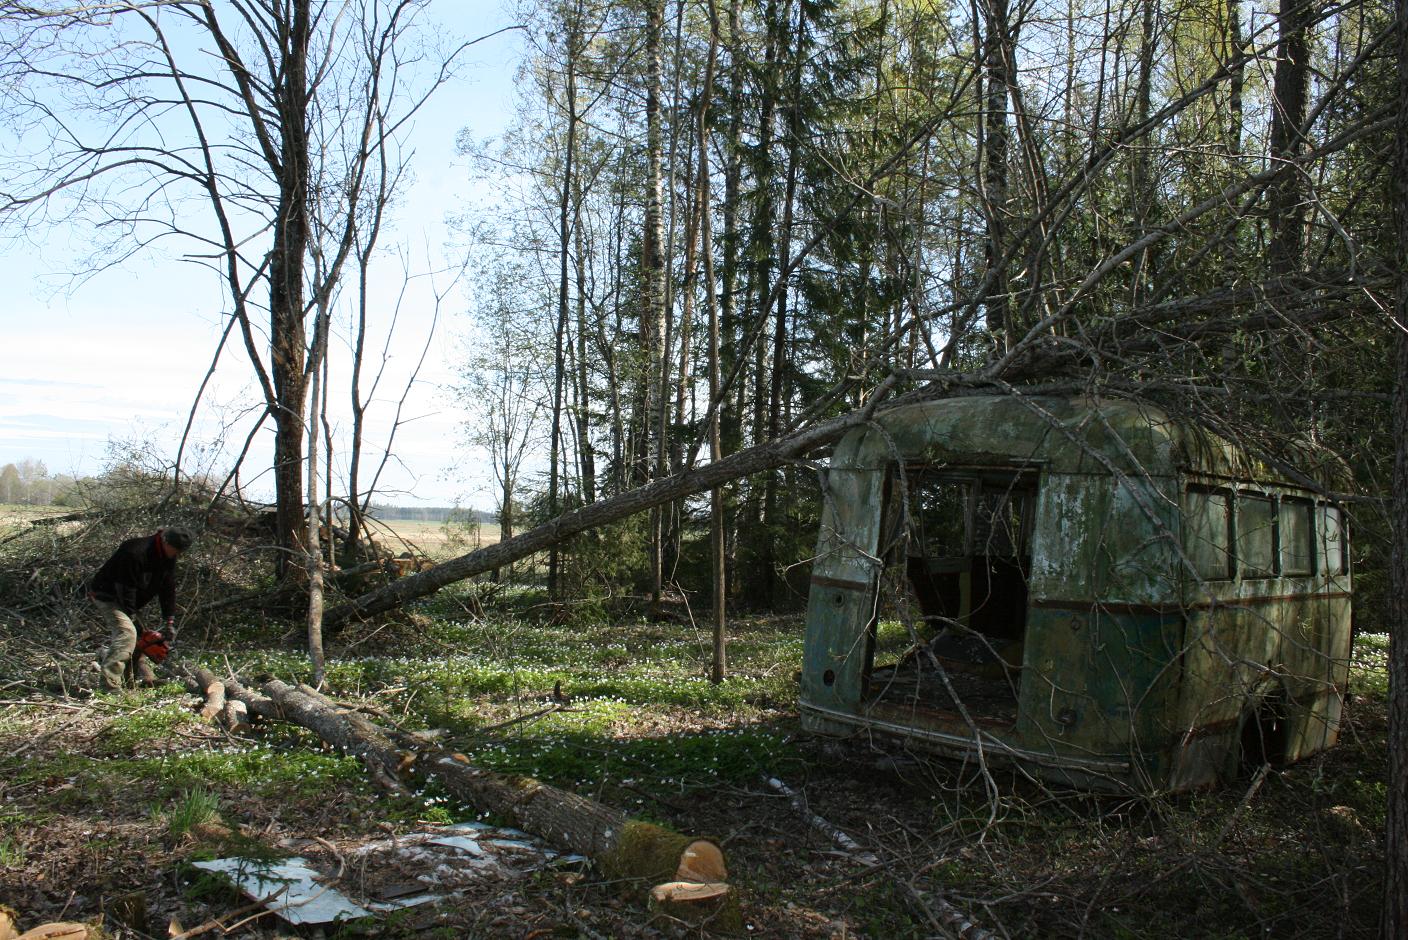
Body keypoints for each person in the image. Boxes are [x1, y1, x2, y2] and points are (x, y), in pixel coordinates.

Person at [89, 526, 194, 690]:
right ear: (165, 540)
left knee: (139, 639)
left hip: (128, 598)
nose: (177, 555)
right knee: (127, 634)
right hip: (108, 594)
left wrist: (169, 620)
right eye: (176, 550)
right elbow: (125, 587)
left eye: (180, 552)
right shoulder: (135, 552)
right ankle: (109, 686)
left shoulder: (168, 555)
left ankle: (129, 682)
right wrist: (132, 617)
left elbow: (167, 586)